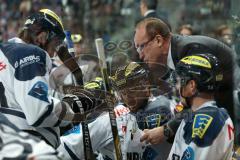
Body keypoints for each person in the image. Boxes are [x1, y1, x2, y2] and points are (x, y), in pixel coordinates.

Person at [0, 9, 98, 148]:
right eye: (56, 43)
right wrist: (73, 107)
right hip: (28, 145)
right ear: (43, 36)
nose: (53, 54)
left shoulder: (5, 52)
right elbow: (39, 112)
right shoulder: (29, 53)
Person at [134, 17, 239, 144]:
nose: (140, 55)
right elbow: (187, 102)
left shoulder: (189, 51)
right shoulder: (177, 53)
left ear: (158, 40)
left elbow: (197, 102)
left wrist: (166, 130)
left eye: (141, 47)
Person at [167, 54, 234, 160]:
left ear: (191, 86)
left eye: (179, 81)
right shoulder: (208, 115)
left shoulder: (207, 118)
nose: (176, 87)